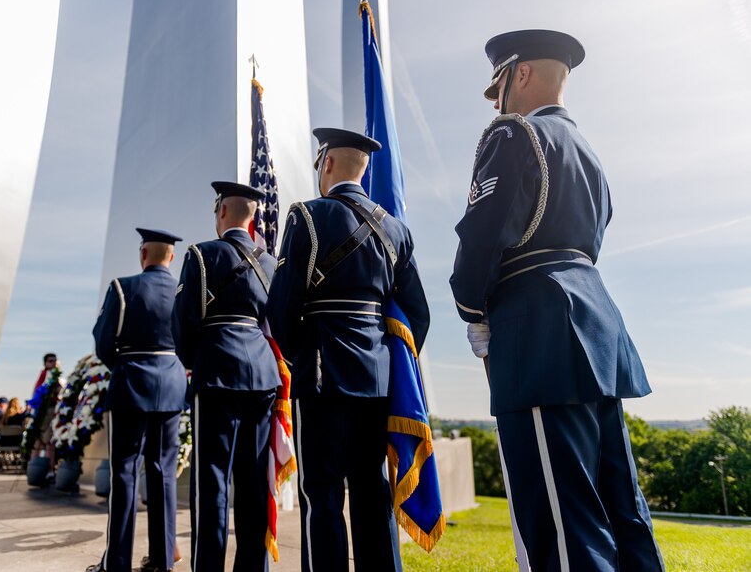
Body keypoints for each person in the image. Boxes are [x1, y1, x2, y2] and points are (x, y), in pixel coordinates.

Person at [449, 29, 664, 571]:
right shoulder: (588, 153)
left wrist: (473, 313)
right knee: (622, 512)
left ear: (519, 74)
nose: (496, 100)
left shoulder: (514, 135)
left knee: (563, 525)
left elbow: (481, 236)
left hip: (537, 333)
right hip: (597, 329)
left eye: (498, 84)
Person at [266, 128, 430, 572]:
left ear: (327, 164)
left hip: (322, 373)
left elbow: (280, 310)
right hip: (377, 381)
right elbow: (418, 316)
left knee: (322, 493)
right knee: (370, 489)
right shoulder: (395, 229)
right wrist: (385, 363)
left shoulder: (306, 216)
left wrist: (306, 356)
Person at [173, 182, 280, 572]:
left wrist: (195, 360)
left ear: (221, 212)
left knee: (212, 484)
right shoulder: (270, 262)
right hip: (263, 376)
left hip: (216, 371)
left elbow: (183, 322)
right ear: (251, 217)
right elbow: (278, 322)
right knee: (252, 483)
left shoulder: (201, 255)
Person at [88, 227, 188, 572]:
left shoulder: (123, 287)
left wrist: (127, 365)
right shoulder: (181, 291)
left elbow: (103, 341)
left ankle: (116, 564)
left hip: (131, 385)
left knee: (125, 475)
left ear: (143, 254)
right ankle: (162, 561)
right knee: (163, 474)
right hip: (173, 386)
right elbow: (188, 339)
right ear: (171, 257)